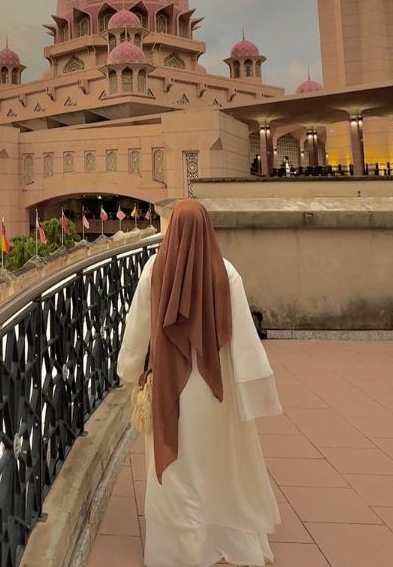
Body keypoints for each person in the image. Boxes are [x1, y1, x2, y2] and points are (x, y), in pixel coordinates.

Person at [117, 199, 281, 567]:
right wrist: (250, 384)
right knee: (213, 461)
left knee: (176, 466)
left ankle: (179, 549)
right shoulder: (225, 272)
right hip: (213, 386)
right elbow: (242, 335)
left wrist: (129, 369)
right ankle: (219, 537)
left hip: (169, 387)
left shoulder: (154, 269)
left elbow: (138, 325)